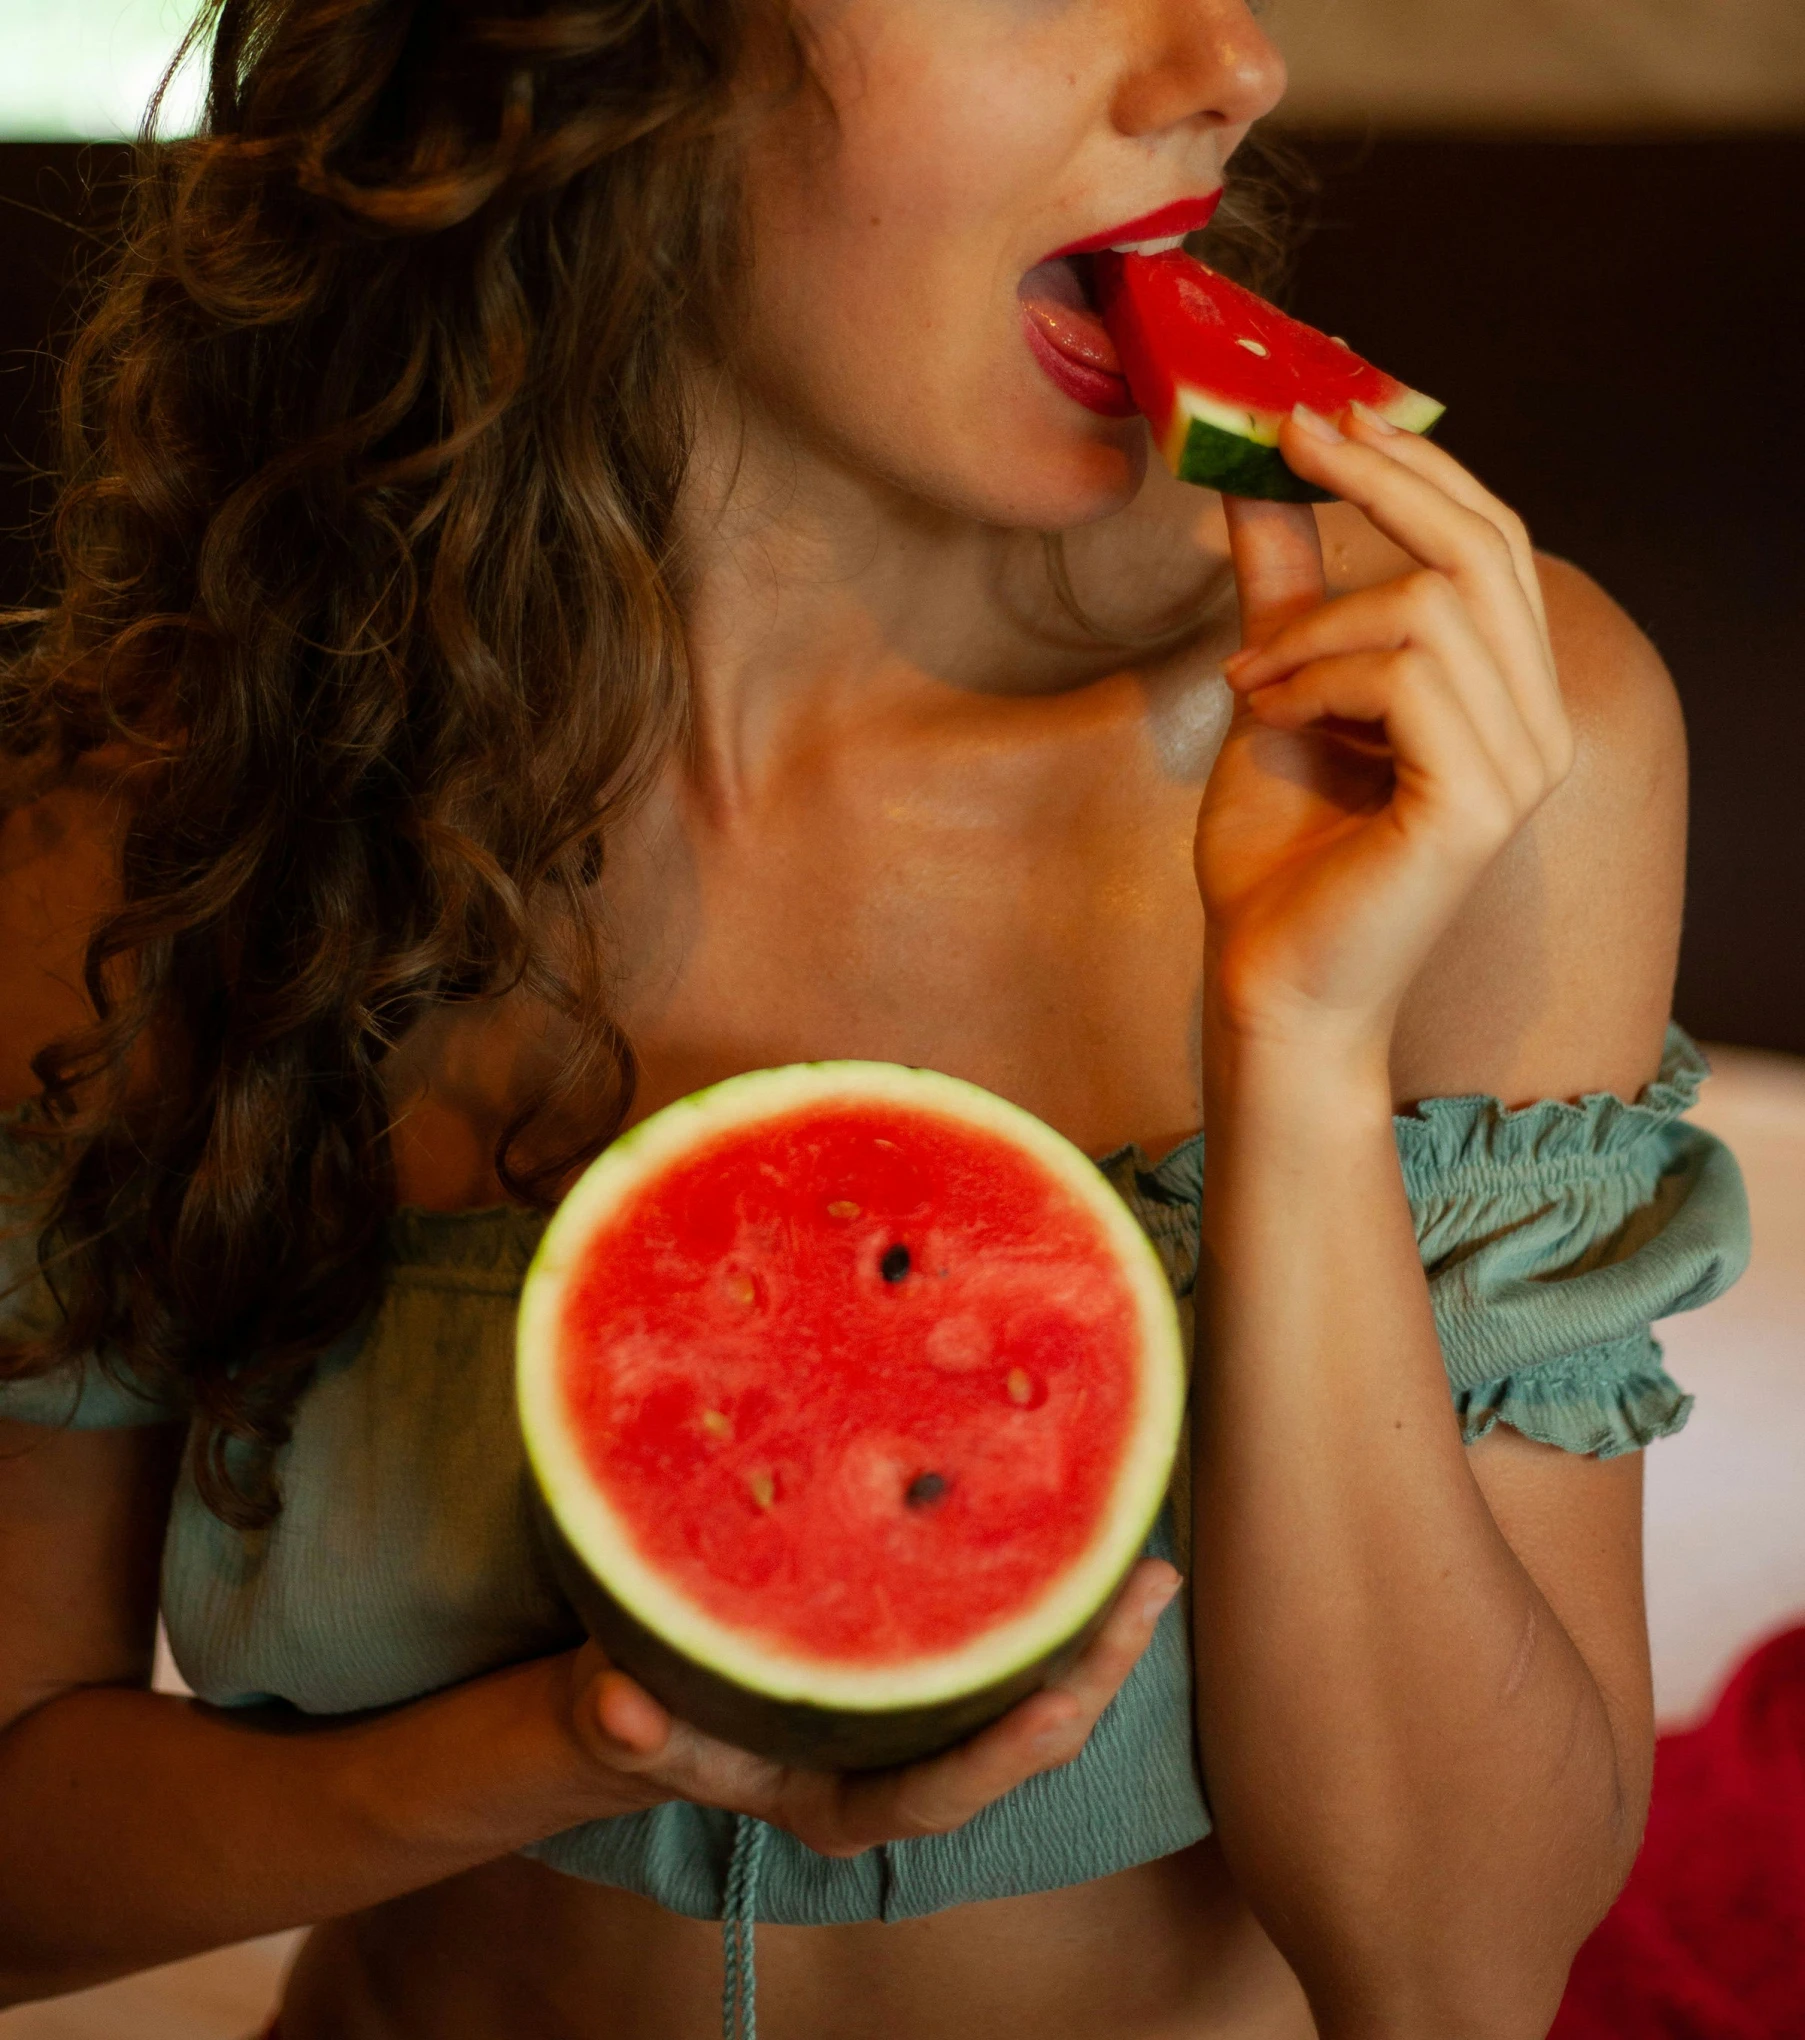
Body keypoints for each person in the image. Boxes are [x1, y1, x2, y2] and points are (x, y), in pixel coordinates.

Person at [0, 1, 1750, 2036]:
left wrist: (1294, 1047)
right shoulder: (152, 816)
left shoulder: (1445, 743)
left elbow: (1451, 1971)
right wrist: (583, 1740)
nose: (1233, 62)